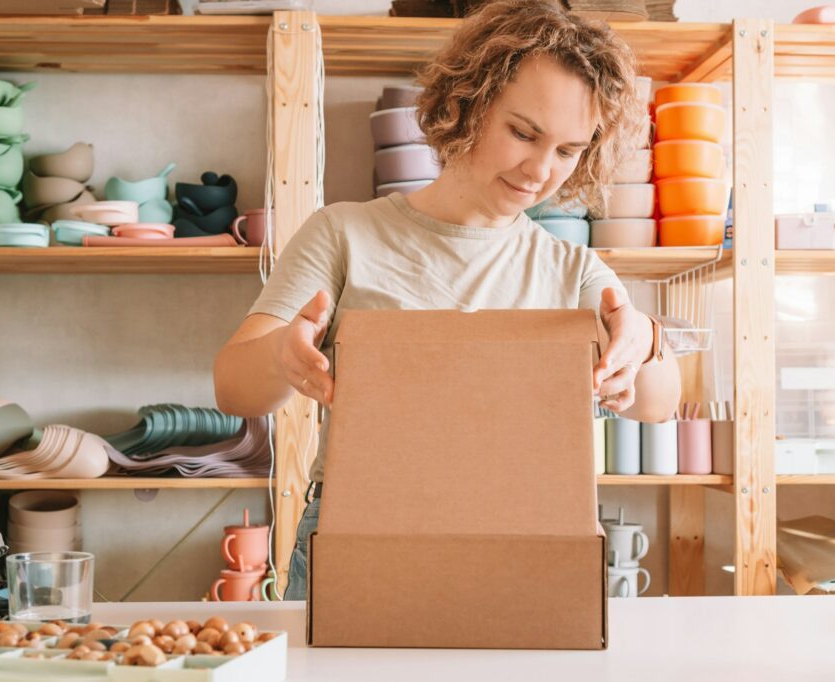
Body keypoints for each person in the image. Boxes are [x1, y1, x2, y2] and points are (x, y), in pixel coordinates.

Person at [213, 0, 681, 601]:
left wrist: (641, 342)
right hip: (361, 532)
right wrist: (284, 355)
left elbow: (659, 404)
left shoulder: (573, 268)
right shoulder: (344, 234)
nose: (541, 170)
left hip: (531, 542)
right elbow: (231, 387)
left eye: (568, 151)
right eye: (524, 133)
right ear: (468, 103)